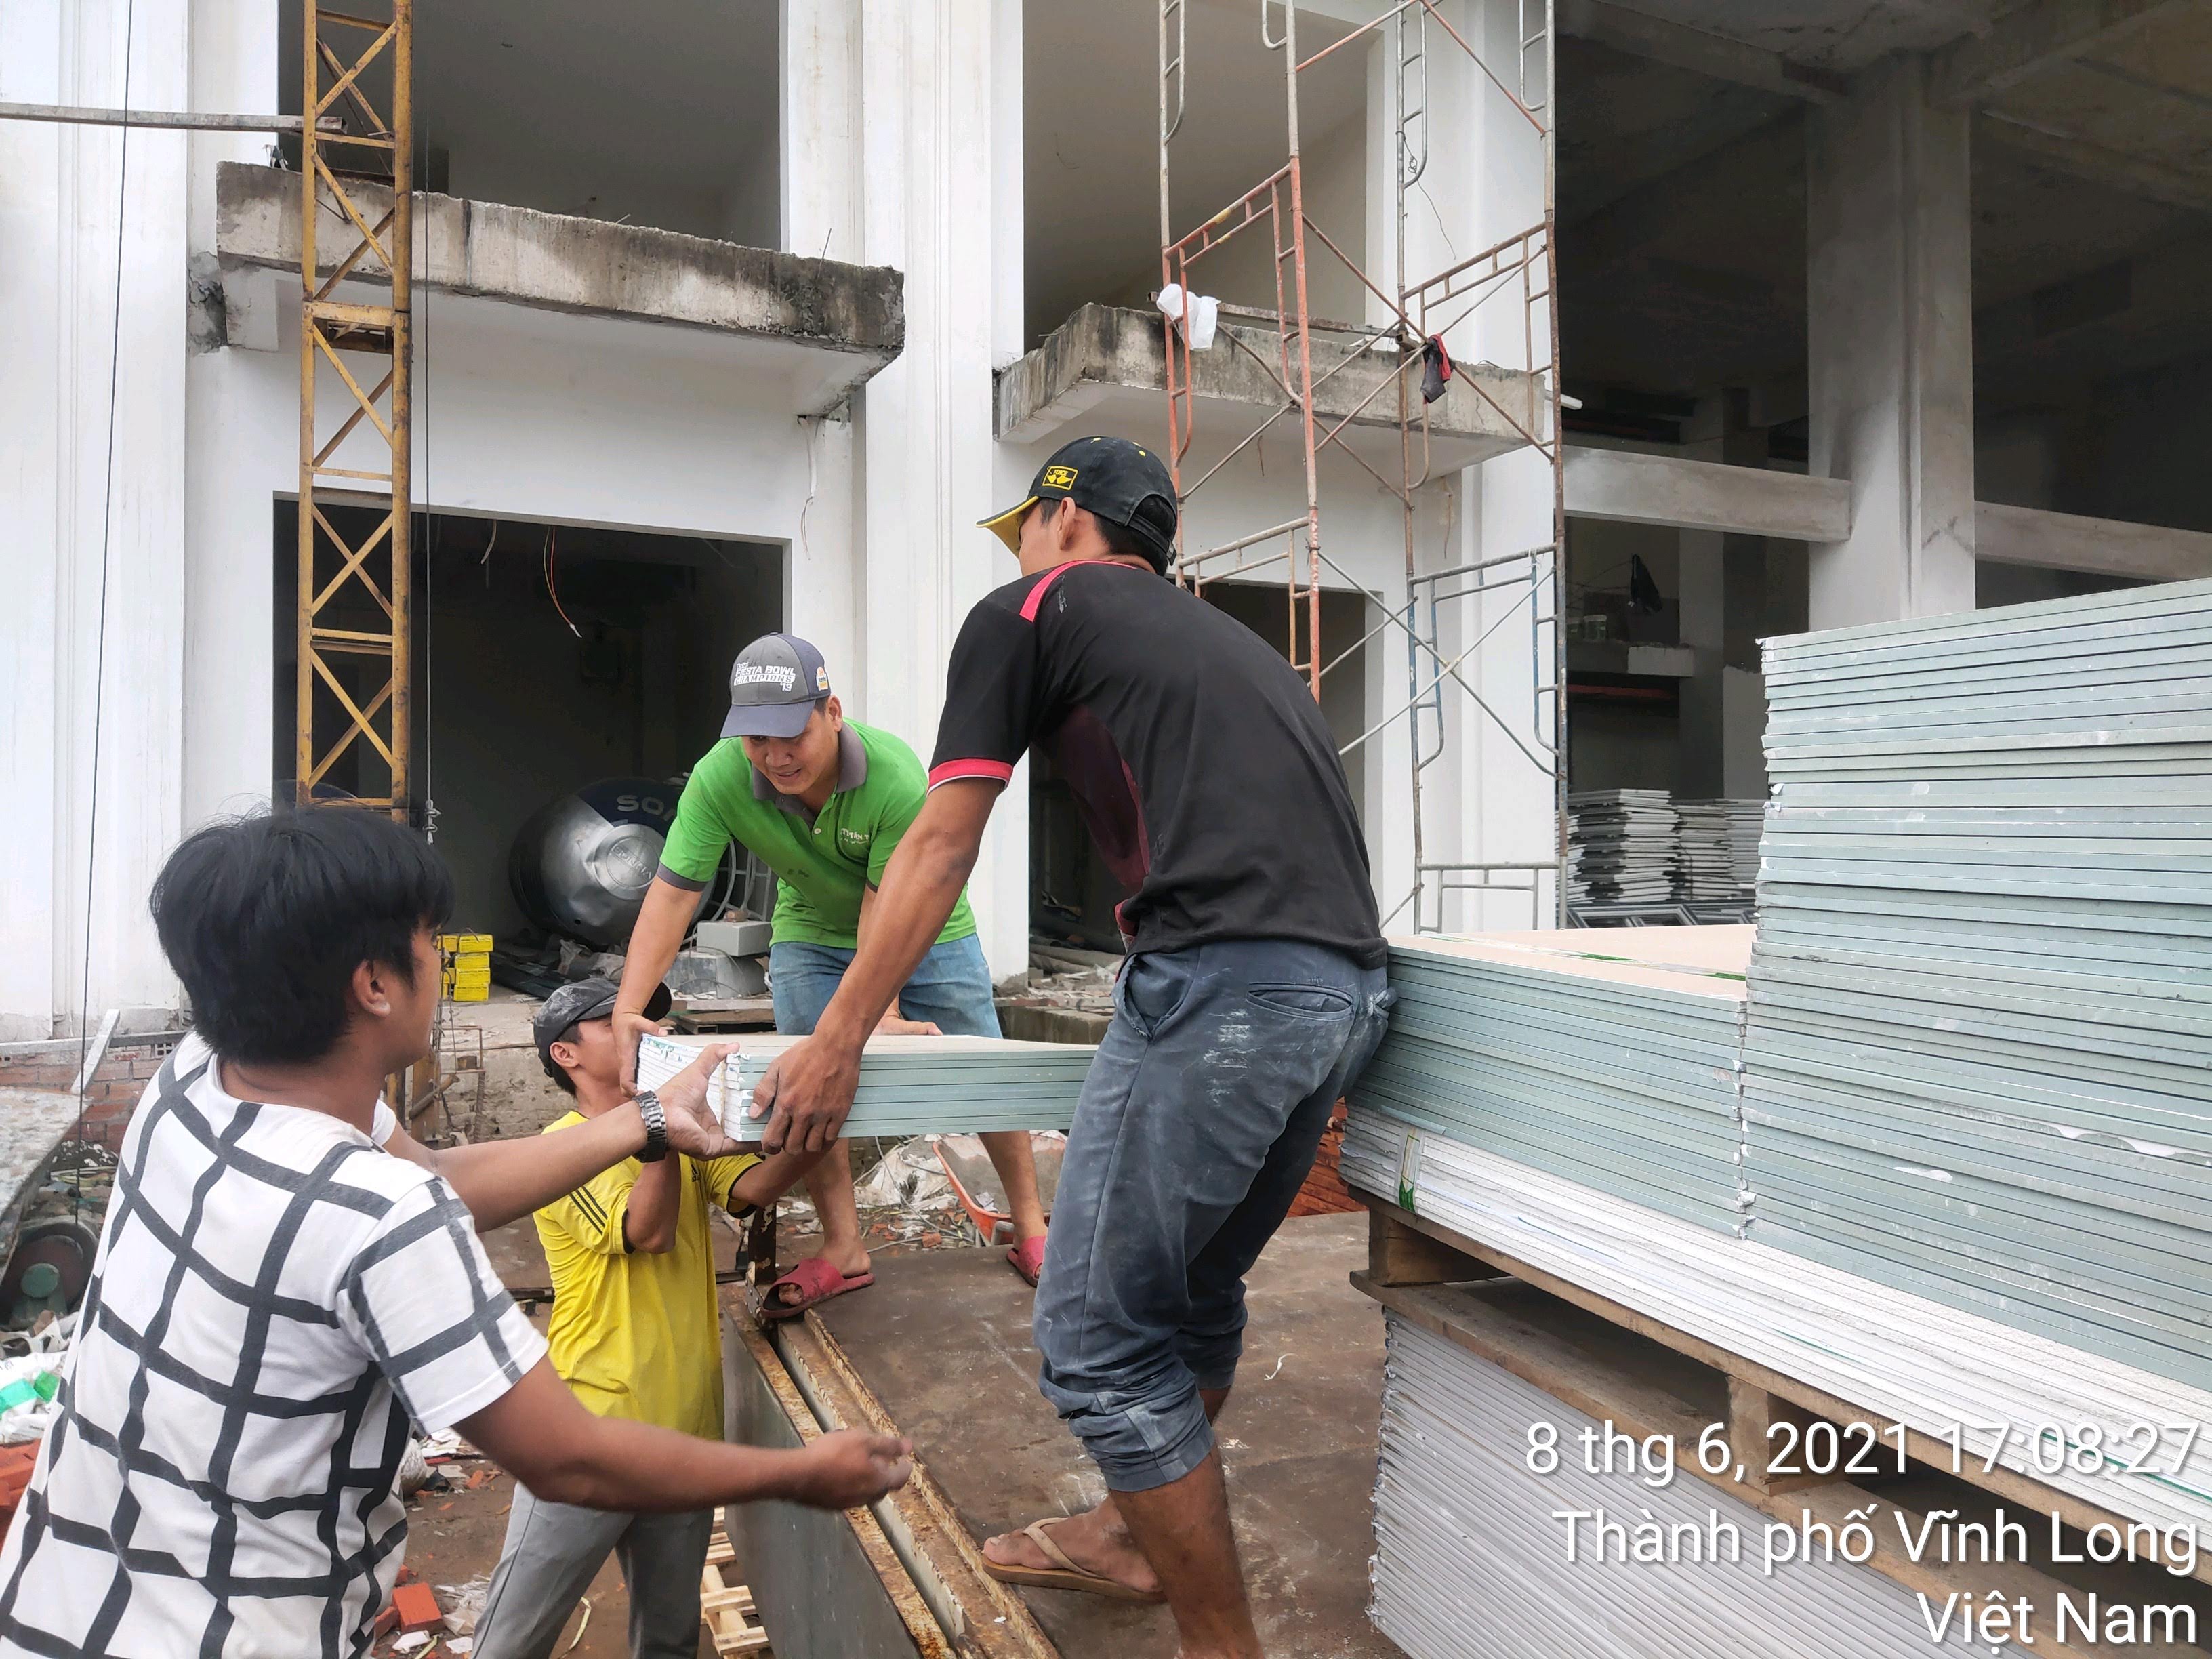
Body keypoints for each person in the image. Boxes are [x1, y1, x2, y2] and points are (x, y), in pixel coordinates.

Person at [747, 435, 1395, 1659]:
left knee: (1094, 1339)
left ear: (1064, 521)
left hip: (1223, 983)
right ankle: (1124, 1534)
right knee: (1190, 1294)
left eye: (1024, 529)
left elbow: (941, 842)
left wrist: (837, 1038)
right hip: (1345, 996)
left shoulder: (1030, 610)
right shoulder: (1233, 647)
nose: (1019, 552)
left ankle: (1222, 1646)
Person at [0, 807, 909, 1659]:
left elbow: (436, 1171)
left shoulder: (194, 1081)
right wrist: (797, 1474)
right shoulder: (376, 1217)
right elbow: (567, 1459)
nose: (441, 963)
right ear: (374, 985)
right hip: (236, 1633)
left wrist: (646, 1122)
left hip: (60, 1597)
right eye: (431, 941)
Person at [615, 633, 1050, 1313]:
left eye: (792, 734)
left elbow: (890, 909)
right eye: (758, 739)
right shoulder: (719, 777)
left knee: (986, 1069)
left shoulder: (893, 777)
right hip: (812, 931)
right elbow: (674, 893)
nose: (776, 756)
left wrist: (879, 1020)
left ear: (833, 712)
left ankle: (1030, 1227)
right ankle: (844, 1245)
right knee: (810, 1080)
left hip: (926, 927)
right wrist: (627, 1008)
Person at [472, 975, 833, 1659]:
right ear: (565, 1055)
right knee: (512, 1640)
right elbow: (650, 1232)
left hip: (683, 1429)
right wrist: (657, 1128)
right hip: (591, 1431)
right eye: (615, 1024)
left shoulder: (682, 1129)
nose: (647, 1034)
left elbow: (753, 1189)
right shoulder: (561, 1151)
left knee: (669, 1636)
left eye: (647, 1021)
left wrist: (817, 1121)